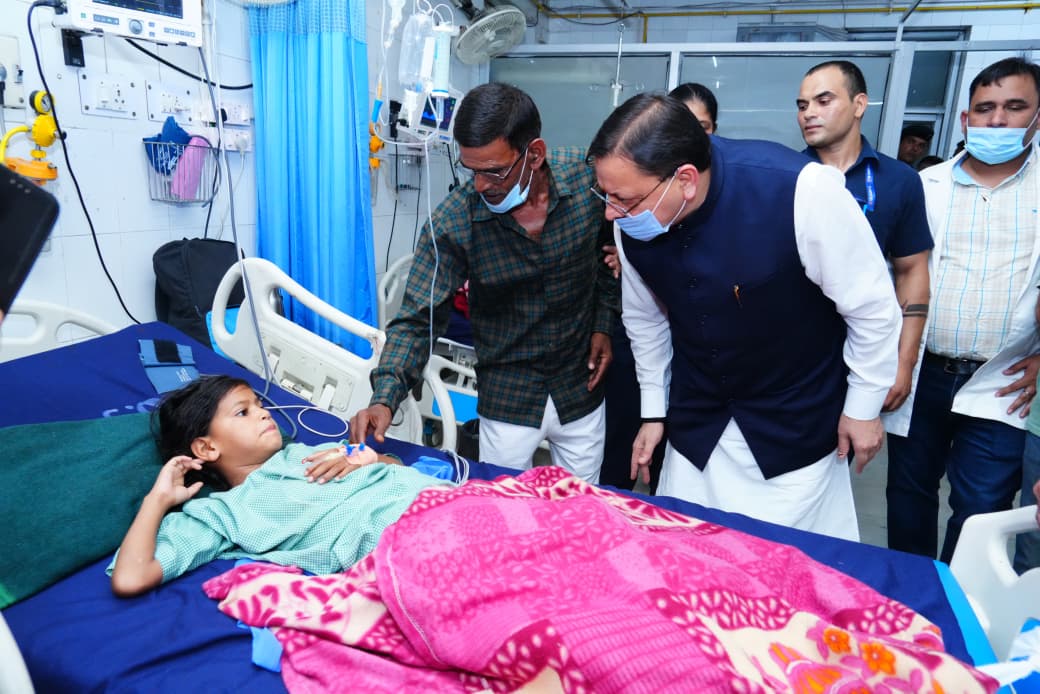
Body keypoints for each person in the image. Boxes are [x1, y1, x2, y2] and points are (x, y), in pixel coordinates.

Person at [587, 93, 901, 540]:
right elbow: (646, 322)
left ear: (685, 179)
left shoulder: (803, 192)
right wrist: (654, 412)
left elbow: (872, 308)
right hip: (698, 421)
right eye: (606, 195)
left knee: (787, 564)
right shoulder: (632, 220)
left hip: (793, 420)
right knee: (687, 553)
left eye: (624, 198)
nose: (610, 211)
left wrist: (863, 408)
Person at [351, 83, 618, 483]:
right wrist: (385, 398)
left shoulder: (587, 185)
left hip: (580, 388)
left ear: (535, 154)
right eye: (470, 170)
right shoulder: (454, 223)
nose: (479, 185)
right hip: (510, 399)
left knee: (581, 507)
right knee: (504, 508)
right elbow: (418, 320)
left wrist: (603, 323)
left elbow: (610, 256)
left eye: (494, 171)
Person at [885, 57, 1040, 564]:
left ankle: (961, 600)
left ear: (1037, 116)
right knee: (908, 494)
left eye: (1014, 107)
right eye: (985, 108)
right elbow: (897, 272)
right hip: (924, 369)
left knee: (980, 508)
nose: (998, 121)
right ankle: (916, 596)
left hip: (1004, 381)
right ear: (965, 119)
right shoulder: (925, 186)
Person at [110, 375, 447, 597]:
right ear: (207, 448)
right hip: (417, 547)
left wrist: (366, 457)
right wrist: (157, 500)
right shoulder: (224, 513)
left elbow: (398, 469)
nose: (264, 414)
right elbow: (130, 578)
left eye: (259, 405)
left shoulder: (307, 453)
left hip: (447, 501)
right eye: (243, 412)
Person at [797, 60, 932, 416]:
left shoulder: (900, 181)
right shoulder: (786, 176)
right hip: (793, 356)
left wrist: (904, 362)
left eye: (823, 100)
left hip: (867, 351)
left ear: (859, 105)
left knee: (855, 437)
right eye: (803, 105)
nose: (809, 113)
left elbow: (912, 271)